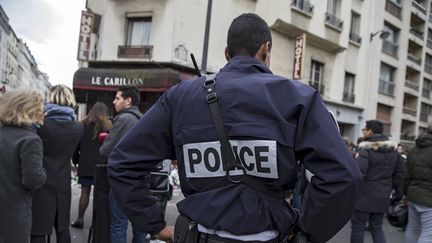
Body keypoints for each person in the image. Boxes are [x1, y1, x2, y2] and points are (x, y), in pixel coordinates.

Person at [107, 13, 363, 243]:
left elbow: (122, 162)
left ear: (227, 54)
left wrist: (156, 225)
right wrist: (308, 233)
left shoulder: (180, 97)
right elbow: (344, 177)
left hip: (198, 235)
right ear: (266, 49)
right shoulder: (298, 98)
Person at [31, 85, 84, 243]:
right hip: (63, 182)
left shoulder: (40, 125)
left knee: (38, 229)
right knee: (62, 227)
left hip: (41, 181)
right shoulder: (78, 127)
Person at [98, 86, 147, 243]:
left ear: (128, 100)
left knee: (119, 224)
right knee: (140, 224)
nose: (114, 102)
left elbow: (105, 151)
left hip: (123, 179)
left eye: (117, 98)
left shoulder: (124, 119)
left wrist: (106, 140)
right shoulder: (143, 119)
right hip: (141, 179)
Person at [0, 90, 47, 243]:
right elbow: (32, 180)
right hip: (13, 215)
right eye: (41, 108)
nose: (44, 112)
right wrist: (43, 172)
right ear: (29, 111)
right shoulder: (31, 140)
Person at [350, 120, 406, 243]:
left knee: (358, 227)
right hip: (383, 196)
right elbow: (400, 174)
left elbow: (359, 174)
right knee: (377, 228)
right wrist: (398, 193)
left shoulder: (365, 150)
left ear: (370, 131)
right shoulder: (394, 151)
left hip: (363, 196)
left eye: (365, 129)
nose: (364, 131)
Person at [71, 102, 112, 229]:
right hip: (101, 164)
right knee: (99, 195)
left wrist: (76, 161)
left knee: (85, 192)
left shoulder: (82, 125)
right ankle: (97, 223)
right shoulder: (108, 126)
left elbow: (76, 146)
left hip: (85, 163)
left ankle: (80, 219)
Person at [403, 123, 432, 242]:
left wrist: (405, 193)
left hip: (413, 194)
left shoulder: (414, 148)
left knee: (412, 229)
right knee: (428, 233)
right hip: (428, 198)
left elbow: (407, 175)